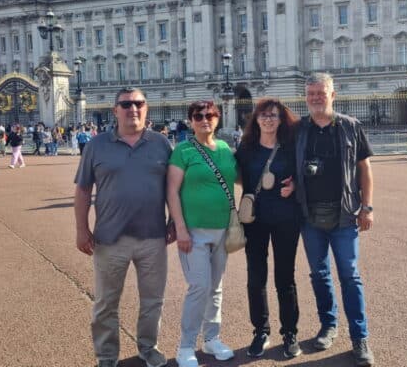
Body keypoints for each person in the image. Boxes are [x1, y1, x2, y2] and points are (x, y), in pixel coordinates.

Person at [74, 87, 174, 367]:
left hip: (153, 237)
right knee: (106, 303)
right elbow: (83, 190)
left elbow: (173, 188)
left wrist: (174, 221)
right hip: (110, 238)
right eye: (126, 104)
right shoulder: (96, 145)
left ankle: (148, 346)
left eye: (139, 103)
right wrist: (82, 229)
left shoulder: (162, 144)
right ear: (115, 110)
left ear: (146, 108)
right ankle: (106, 355)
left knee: (153, 300)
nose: (133, 109)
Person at [294, 73, 375, 367]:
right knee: (319, 275)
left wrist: (367, 207)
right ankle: (329, 325)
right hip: (309, 215)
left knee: (350, 276)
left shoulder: (351, 126)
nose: (316, 97)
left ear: (333, 94)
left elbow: (365, 169)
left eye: (321, 92)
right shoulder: (299, 129)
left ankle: (359, 336)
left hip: (344, 213)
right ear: (306, 97)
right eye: (311, 93)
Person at [167, 100, 236, 367]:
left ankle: (211, 338)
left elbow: (239, 177)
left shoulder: (225, 149)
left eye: (209, 115)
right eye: (198, 116)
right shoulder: (183, 150)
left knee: (215, 288)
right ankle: (186, 345)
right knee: (199, 287)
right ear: (191, 120)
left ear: (218, 118)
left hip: (222, 229)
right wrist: (180, 228)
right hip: (193, 231)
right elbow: (172, 191)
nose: (204, 119)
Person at [235, 98, 303, 359]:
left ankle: (289, 331)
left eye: (273, 115)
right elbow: (234, 175)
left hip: (286, 217)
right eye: (263, 115)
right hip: (255, 220)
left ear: (281, 118)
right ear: (256, 119)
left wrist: (295, 184)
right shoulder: (247, 148)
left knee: (285, 278)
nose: (268, 119)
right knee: (256, 277)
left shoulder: (290, 146)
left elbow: (303, 173)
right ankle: (260, 330)